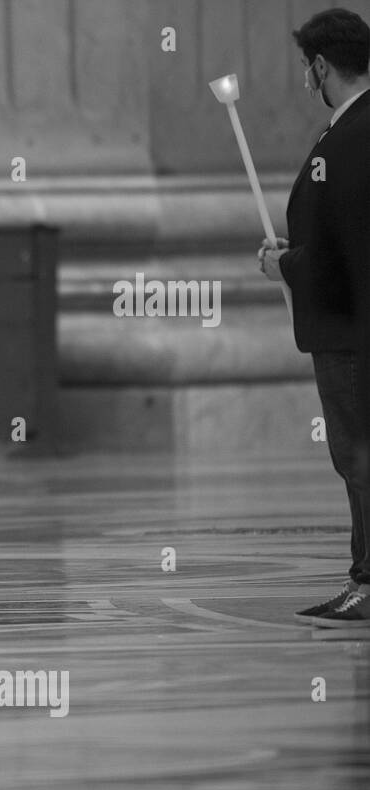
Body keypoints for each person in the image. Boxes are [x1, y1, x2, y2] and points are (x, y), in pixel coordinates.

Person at [260, 9, 370, 630]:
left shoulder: (350, 136)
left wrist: (285, 265)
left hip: (349, 332)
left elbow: (337, 255)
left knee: (356, 457)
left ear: (321, 67)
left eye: (308, 67)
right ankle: (362, 574)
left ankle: (368, 579)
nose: (308, 78)